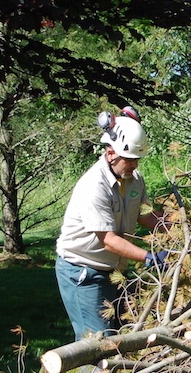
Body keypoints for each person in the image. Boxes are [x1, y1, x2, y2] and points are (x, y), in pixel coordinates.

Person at [55, 107, 169, 345]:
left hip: (113, 270)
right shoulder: (93, 185)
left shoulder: (134, 180)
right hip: (83, 271)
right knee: (96, 342)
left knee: (121, 337)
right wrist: (149, 258)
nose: (134, 165)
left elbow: (144, 215)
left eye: (137, 159)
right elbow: (107, 239)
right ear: (110, 154)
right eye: (129, 159)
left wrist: (173, 226)